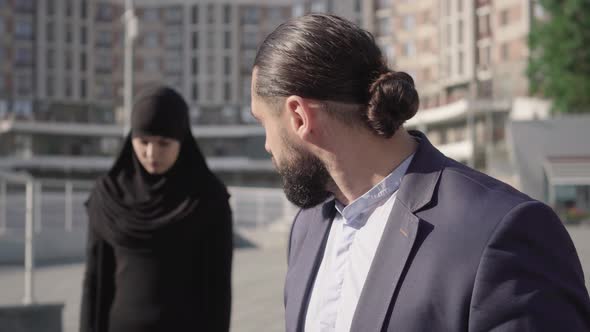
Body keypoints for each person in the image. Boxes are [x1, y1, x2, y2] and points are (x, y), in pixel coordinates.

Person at [250, 14, 590, 332]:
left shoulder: (504, 231)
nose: (266, 145)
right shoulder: (308, 227)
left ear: (298, 118)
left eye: (263, 122)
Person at [80, 86, 233, 332]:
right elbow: (95, 284)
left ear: (181, 139)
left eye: (164, 143)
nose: (152, 153)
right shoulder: (108, 198)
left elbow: (217, 291)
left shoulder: (208, 199)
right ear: (131, 139)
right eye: (143, 142)